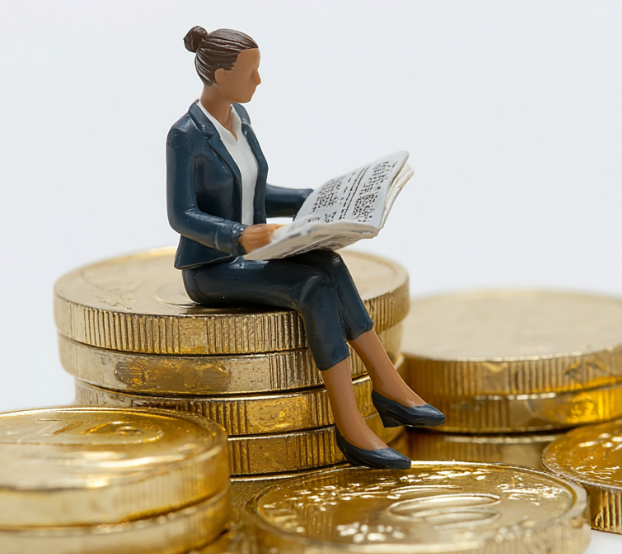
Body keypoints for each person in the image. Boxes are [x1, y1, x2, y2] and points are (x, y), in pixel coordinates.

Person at [166, 26, 444, 469]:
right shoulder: (186, 134)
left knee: (329, 261)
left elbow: (255, 189)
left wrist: (311, 198)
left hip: (251, 253)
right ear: (219, 74)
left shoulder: (243, 122)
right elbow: (181, 215)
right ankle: (352, 428)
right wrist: (237, 234)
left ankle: (388, 385)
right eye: (250, 72)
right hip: (213, 267)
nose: (258, 81)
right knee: (313, 285)